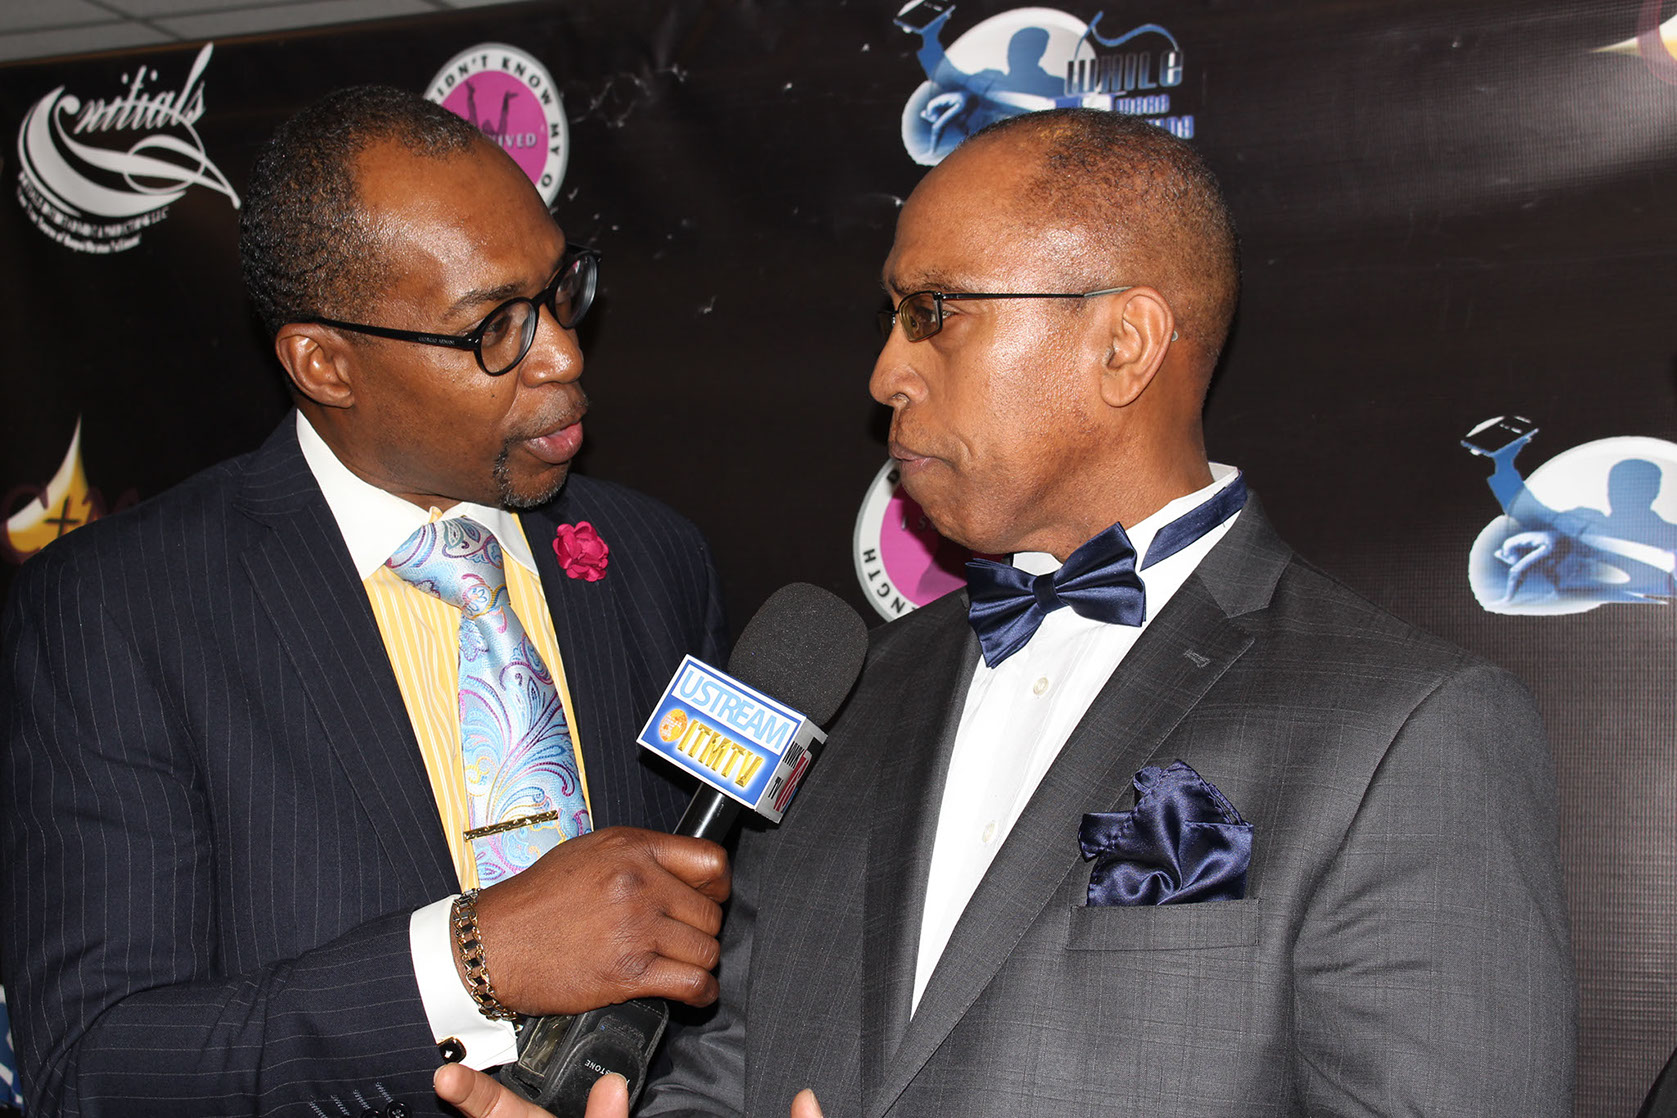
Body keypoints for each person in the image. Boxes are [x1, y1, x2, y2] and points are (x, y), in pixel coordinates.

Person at [633, 108, 1577, 1115]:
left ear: (1124, 345)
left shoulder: (1405, 728)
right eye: (893, 317)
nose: (885, 375)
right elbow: (721, 1065)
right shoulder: (850, 693)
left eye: (935, 311)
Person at [0, 86, 731, 1118]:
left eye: (560, 289)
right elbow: (97, 1065)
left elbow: (728, 958)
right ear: (325, 364)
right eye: (495, 327)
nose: (564, 353)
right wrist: (471, 960)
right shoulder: (119, 611)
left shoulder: (655, 559)